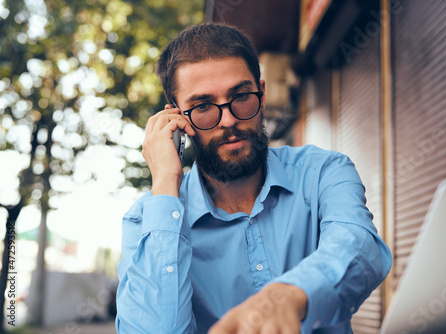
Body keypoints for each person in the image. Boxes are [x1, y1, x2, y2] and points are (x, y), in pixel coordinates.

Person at [115, 22, 392, 334]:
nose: (230, 120)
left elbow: (359, 247)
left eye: (241, 95)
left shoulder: (322, 172)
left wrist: (290, 294)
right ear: (176, 119)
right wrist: (165, 180)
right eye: (203, 106)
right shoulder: (147, 220)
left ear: (261, 92)